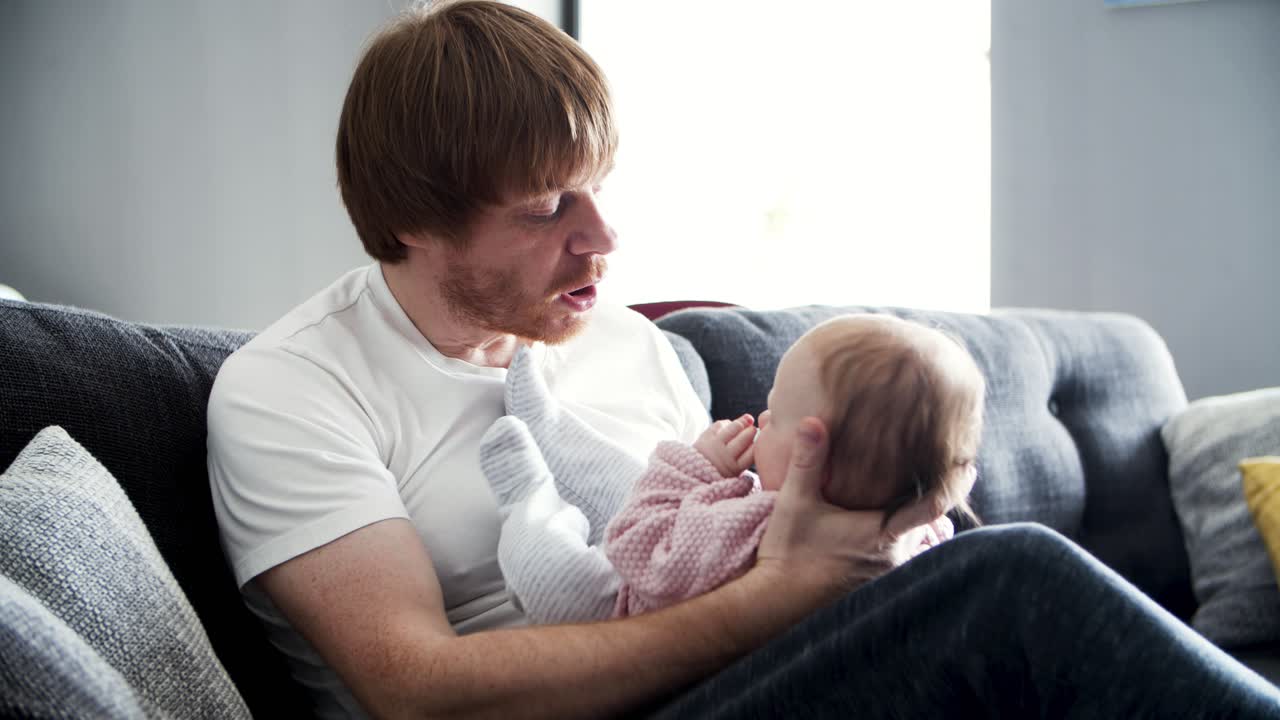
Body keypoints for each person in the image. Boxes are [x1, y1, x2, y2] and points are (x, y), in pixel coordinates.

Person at [205, 2, 1280, 718]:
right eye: (545, 209)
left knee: (979, 571)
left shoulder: (630, 348)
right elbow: (417, 691)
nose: (602, 242)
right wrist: (781, 600)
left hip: (744, 681)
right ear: (411, 223)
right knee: (1014, 581)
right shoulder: (294, 390)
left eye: (597, 191)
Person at [481, 314, 983, 623]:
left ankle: (528, 494)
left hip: (620, 616)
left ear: (815, 458)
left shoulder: (753, 526)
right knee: (618, 476)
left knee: (555, 582)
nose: (762, 418)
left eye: (777, 414)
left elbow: (636, 542)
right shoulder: (920, 538)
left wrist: (696, 468)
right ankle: (548, 426)